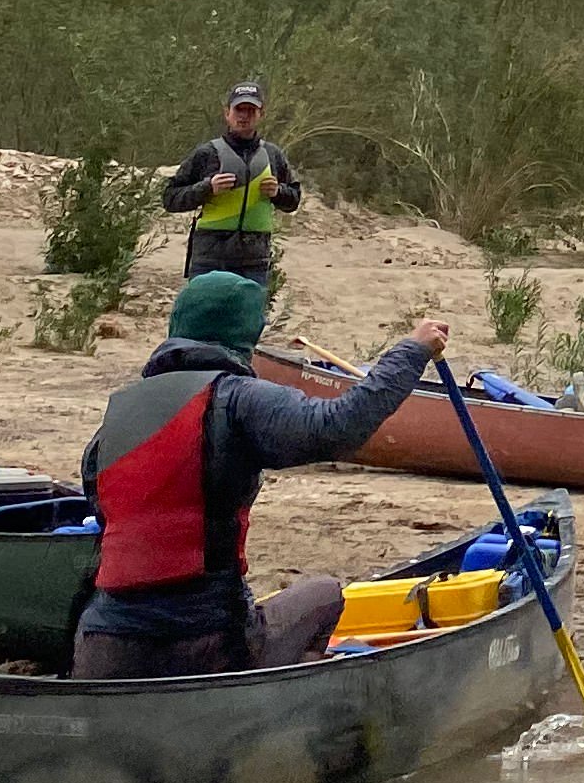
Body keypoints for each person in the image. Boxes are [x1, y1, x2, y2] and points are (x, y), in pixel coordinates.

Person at [68, 274, 450, 679]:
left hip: (100, 647)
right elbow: (338, 427)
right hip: (205, 643)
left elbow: (99, 502)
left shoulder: (117, 415)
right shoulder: (237, 397)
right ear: (248, 333)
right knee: (325, 594)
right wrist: (412, 351)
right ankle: (285, 697)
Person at [161, 80, 303, 286]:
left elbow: (294, 200)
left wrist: (278, 192)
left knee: (249, 319)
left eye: (250, 110)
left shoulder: (273, 155)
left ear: (261, 114)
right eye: (239, 109)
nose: (244, 116)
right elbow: (170, 198)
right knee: (204, 317)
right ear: (227, 113)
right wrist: (207, 188)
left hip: (254, 261)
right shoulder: (206, 154)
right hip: (210, 257)